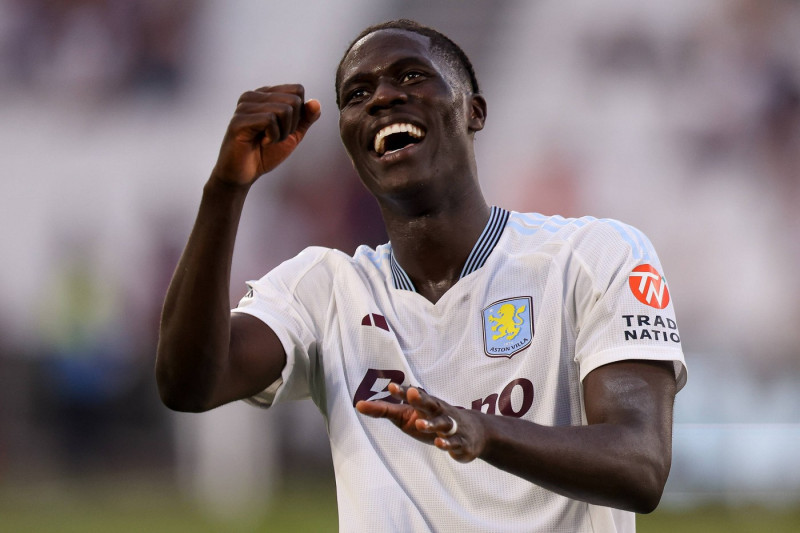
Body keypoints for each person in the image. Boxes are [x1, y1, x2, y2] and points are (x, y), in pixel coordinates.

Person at [156, 19, 687, 533]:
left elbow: (639, 465)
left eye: (411, 76)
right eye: (357, 93)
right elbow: (189, 383)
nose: (383, 97)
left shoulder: (595, 255)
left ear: (474, 112)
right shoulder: (325, 289)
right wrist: (225, 189)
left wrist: (484, 430)